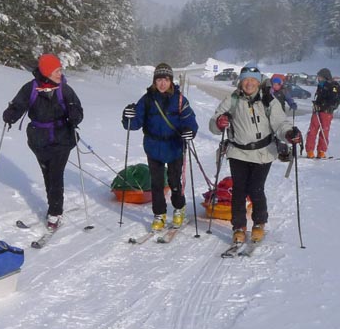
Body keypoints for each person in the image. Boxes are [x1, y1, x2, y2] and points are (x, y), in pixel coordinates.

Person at [208, 65, 303, 245]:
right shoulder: (232, 99)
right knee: (239, 190)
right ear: (240, 82)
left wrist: (290, 134)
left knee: (256, 188)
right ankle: (239, 227)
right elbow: (213, 123)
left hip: (263, 153)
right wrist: (220, 123)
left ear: (258, 83)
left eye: (253, 80)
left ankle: (259, 223)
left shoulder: (269, 101)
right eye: (246, 80)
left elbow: (280, 124)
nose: (249, 83)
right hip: (238, 152)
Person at [1, 54, 83, 231]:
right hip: (38, 140)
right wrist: (10, 115)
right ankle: (53, 206)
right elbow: (18, 105)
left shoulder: (65, 90)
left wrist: (75, 117)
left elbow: (77, 108)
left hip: (62, 138)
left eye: (60, 70)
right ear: (46, 72)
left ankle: (55, 212)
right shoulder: (30, 88)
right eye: (56, 71)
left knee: (55, 175)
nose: (60, 73)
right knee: (47, 175)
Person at [121, 62, 199, 231]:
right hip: (153, 146)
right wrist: (127, 116)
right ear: (154, 81)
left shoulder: (179, 100)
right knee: (156, 183)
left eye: (166, 79)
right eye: (159, 80)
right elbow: (134, 124)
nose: (162, 83)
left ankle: (179, 208)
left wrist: (189, 131)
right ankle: (159, 214)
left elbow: (190, 121)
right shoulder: (147, 100)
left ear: (171, 81)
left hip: (174, 146)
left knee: (174, 181)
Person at [308, 68, 340, 158]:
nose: (318, 79)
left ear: (325, 77)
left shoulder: (334, 86)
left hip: (326, 112)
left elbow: (333, 100)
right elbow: (319, 97)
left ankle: (321, 151)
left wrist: (323, 105)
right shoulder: (320, 85)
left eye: (320, 77)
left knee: (324, 131)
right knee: (312, 131)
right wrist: (316, 103)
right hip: (317, 111)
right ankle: (310, 150)